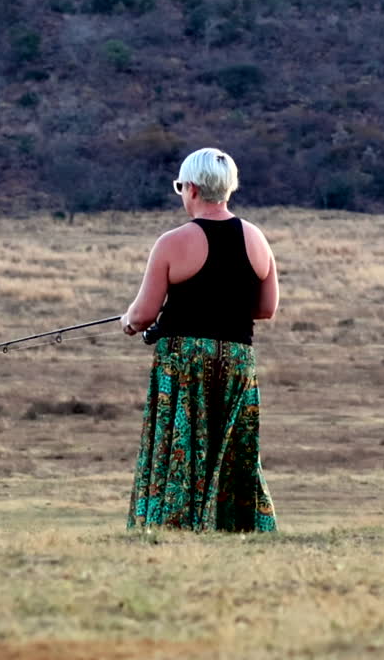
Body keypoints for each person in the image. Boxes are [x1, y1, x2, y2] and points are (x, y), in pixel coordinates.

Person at [120, 147, 279, 533]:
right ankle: (237, 525)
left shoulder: (173, 242)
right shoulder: (256, 239)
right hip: (238, 358)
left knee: (183, 445)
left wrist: (128, 320)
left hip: (187, 359)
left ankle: (175, 523)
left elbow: (143, 315)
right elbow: (266, 308)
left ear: (190, 188)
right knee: (233, 447)